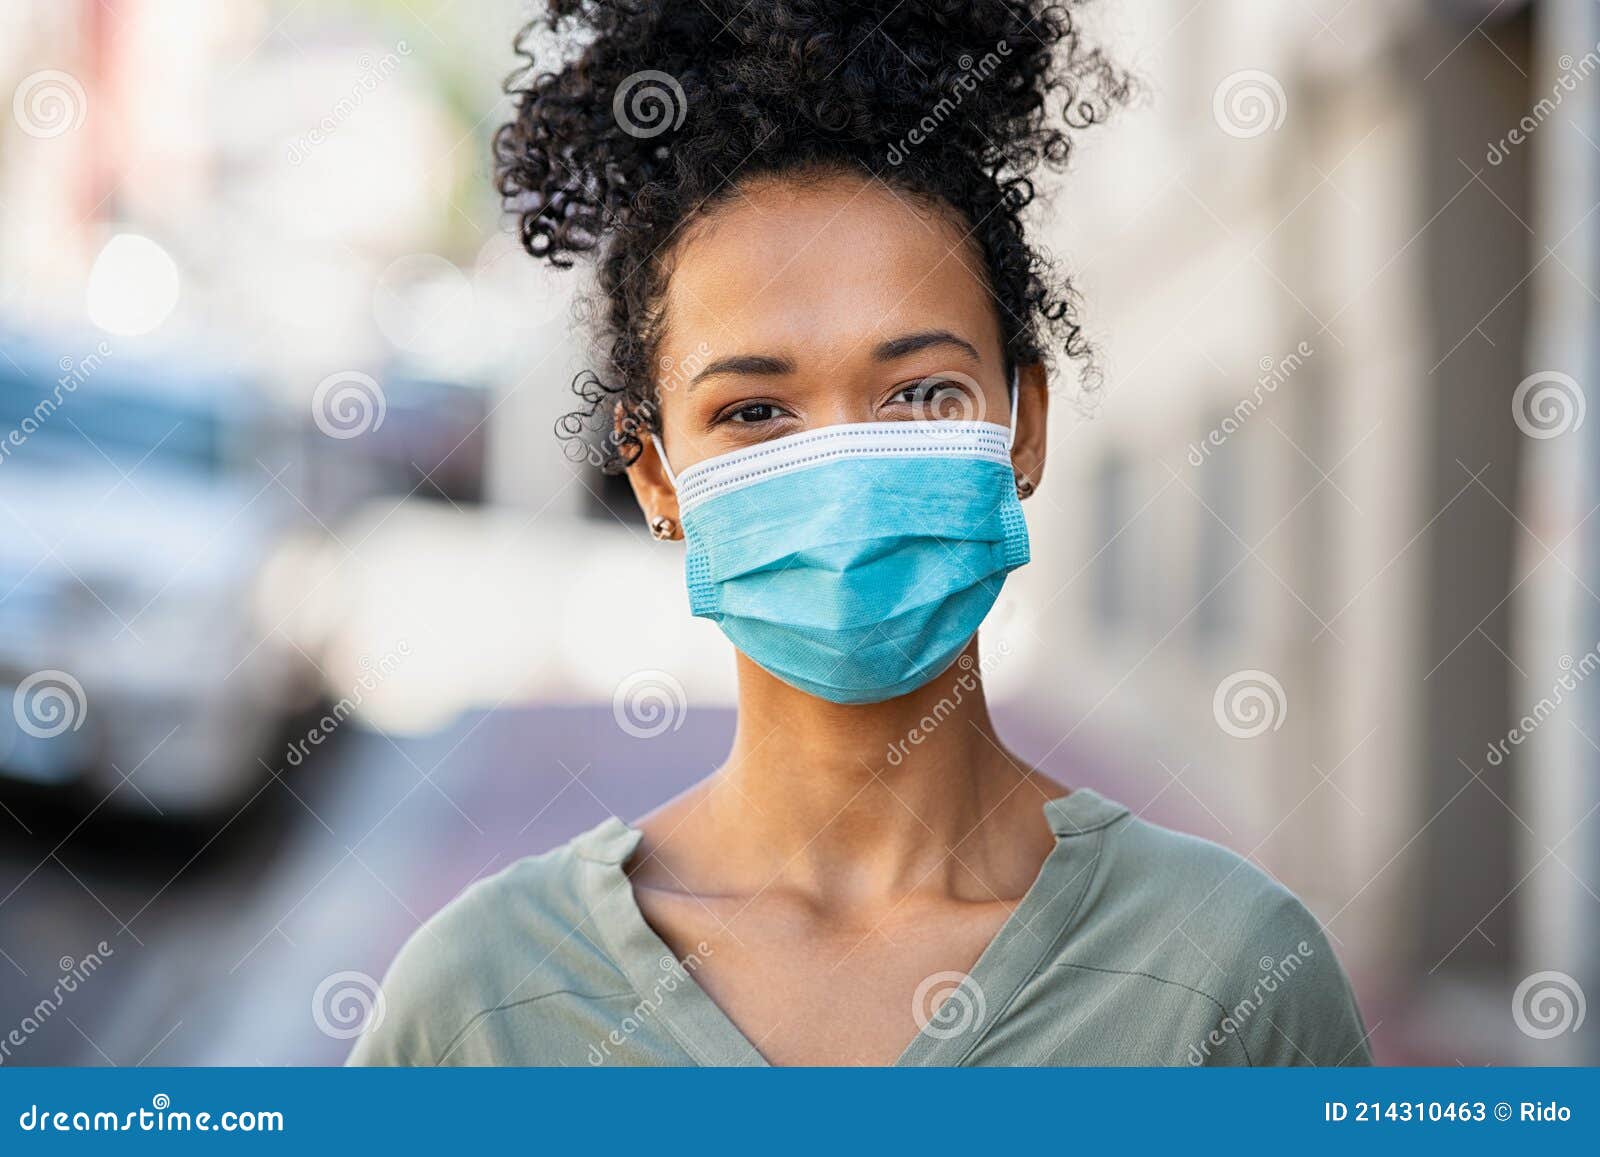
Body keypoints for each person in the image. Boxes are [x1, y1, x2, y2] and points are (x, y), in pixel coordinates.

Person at [349, 0, 1371, 1067]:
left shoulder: (1228, 975)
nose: (842, 472)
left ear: (1023, 424)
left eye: (919, 392)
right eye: (754, 410)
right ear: (654, 473)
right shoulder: (484, 999)